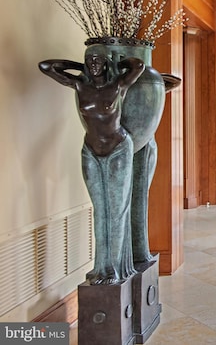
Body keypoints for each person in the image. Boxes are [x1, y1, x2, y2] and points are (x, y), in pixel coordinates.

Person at [39, 44, 145, 285]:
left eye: (98, 60)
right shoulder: (80, 85)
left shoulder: (118, 85)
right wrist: (79, 67)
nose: (94, 64)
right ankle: (101, 267)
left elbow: (138, 65)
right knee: (101, 211)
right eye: (90, 60)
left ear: (106, 62)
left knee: (116, 212)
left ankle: (115, 269)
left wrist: (115, 64)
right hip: (91, 151)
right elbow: (46, 66)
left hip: (118, 148)